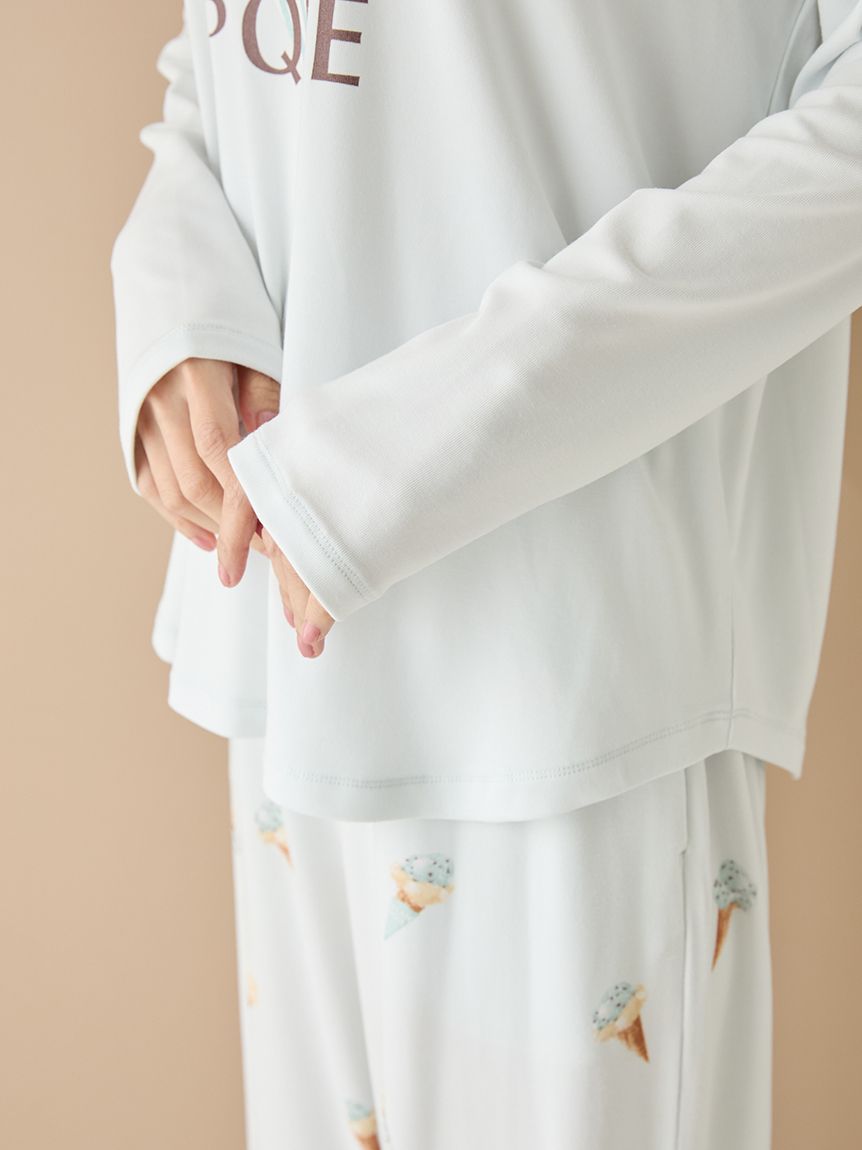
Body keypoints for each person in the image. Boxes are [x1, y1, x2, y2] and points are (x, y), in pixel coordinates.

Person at [110, 1, 861, 1146]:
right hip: (281, 648)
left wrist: (413, 443)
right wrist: (177, 288)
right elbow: (231, 72)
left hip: (564, 694)